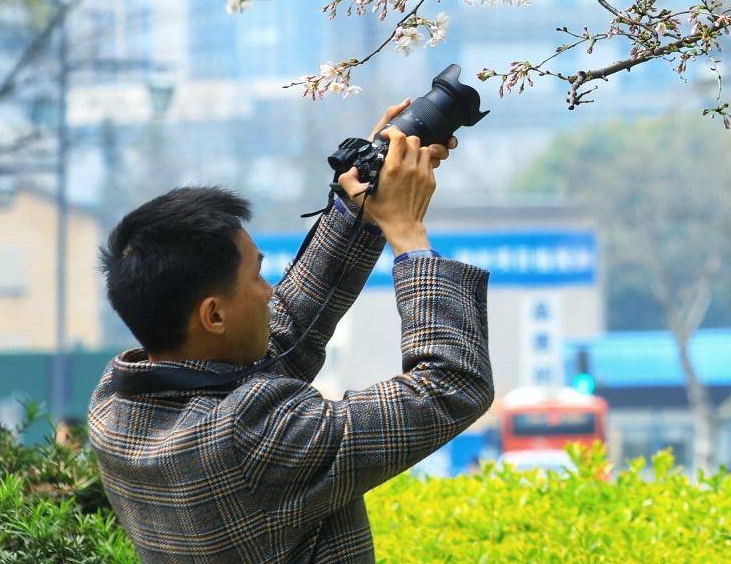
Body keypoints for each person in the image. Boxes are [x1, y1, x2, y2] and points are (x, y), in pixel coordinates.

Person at [87, 99, 494, 563]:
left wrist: (362, 200)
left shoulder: (116, 406)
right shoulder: (247, 438)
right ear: (213, 316)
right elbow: (449, 387)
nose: (268, 293)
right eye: (257, 277)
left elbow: (285, 334)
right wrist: (408, 235)